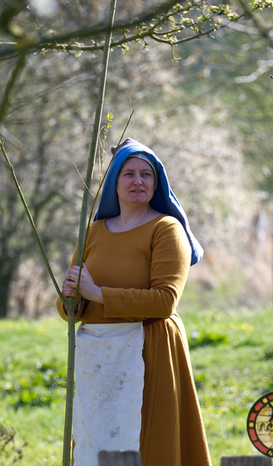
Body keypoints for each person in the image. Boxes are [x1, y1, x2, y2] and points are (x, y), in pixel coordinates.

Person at [57, 138, 211, 466]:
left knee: (149, 449)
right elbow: (70, 303)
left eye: (146, 174)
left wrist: (98, 294)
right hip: (99, 359)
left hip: (150, 352)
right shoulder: (93, 232)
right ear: (114, 181)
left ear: (157, 182)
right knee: (96, 445)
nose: (138, 181)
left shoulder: (166, 229)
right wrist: (71, 298)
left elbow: (165, 301)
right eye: (129, 174)